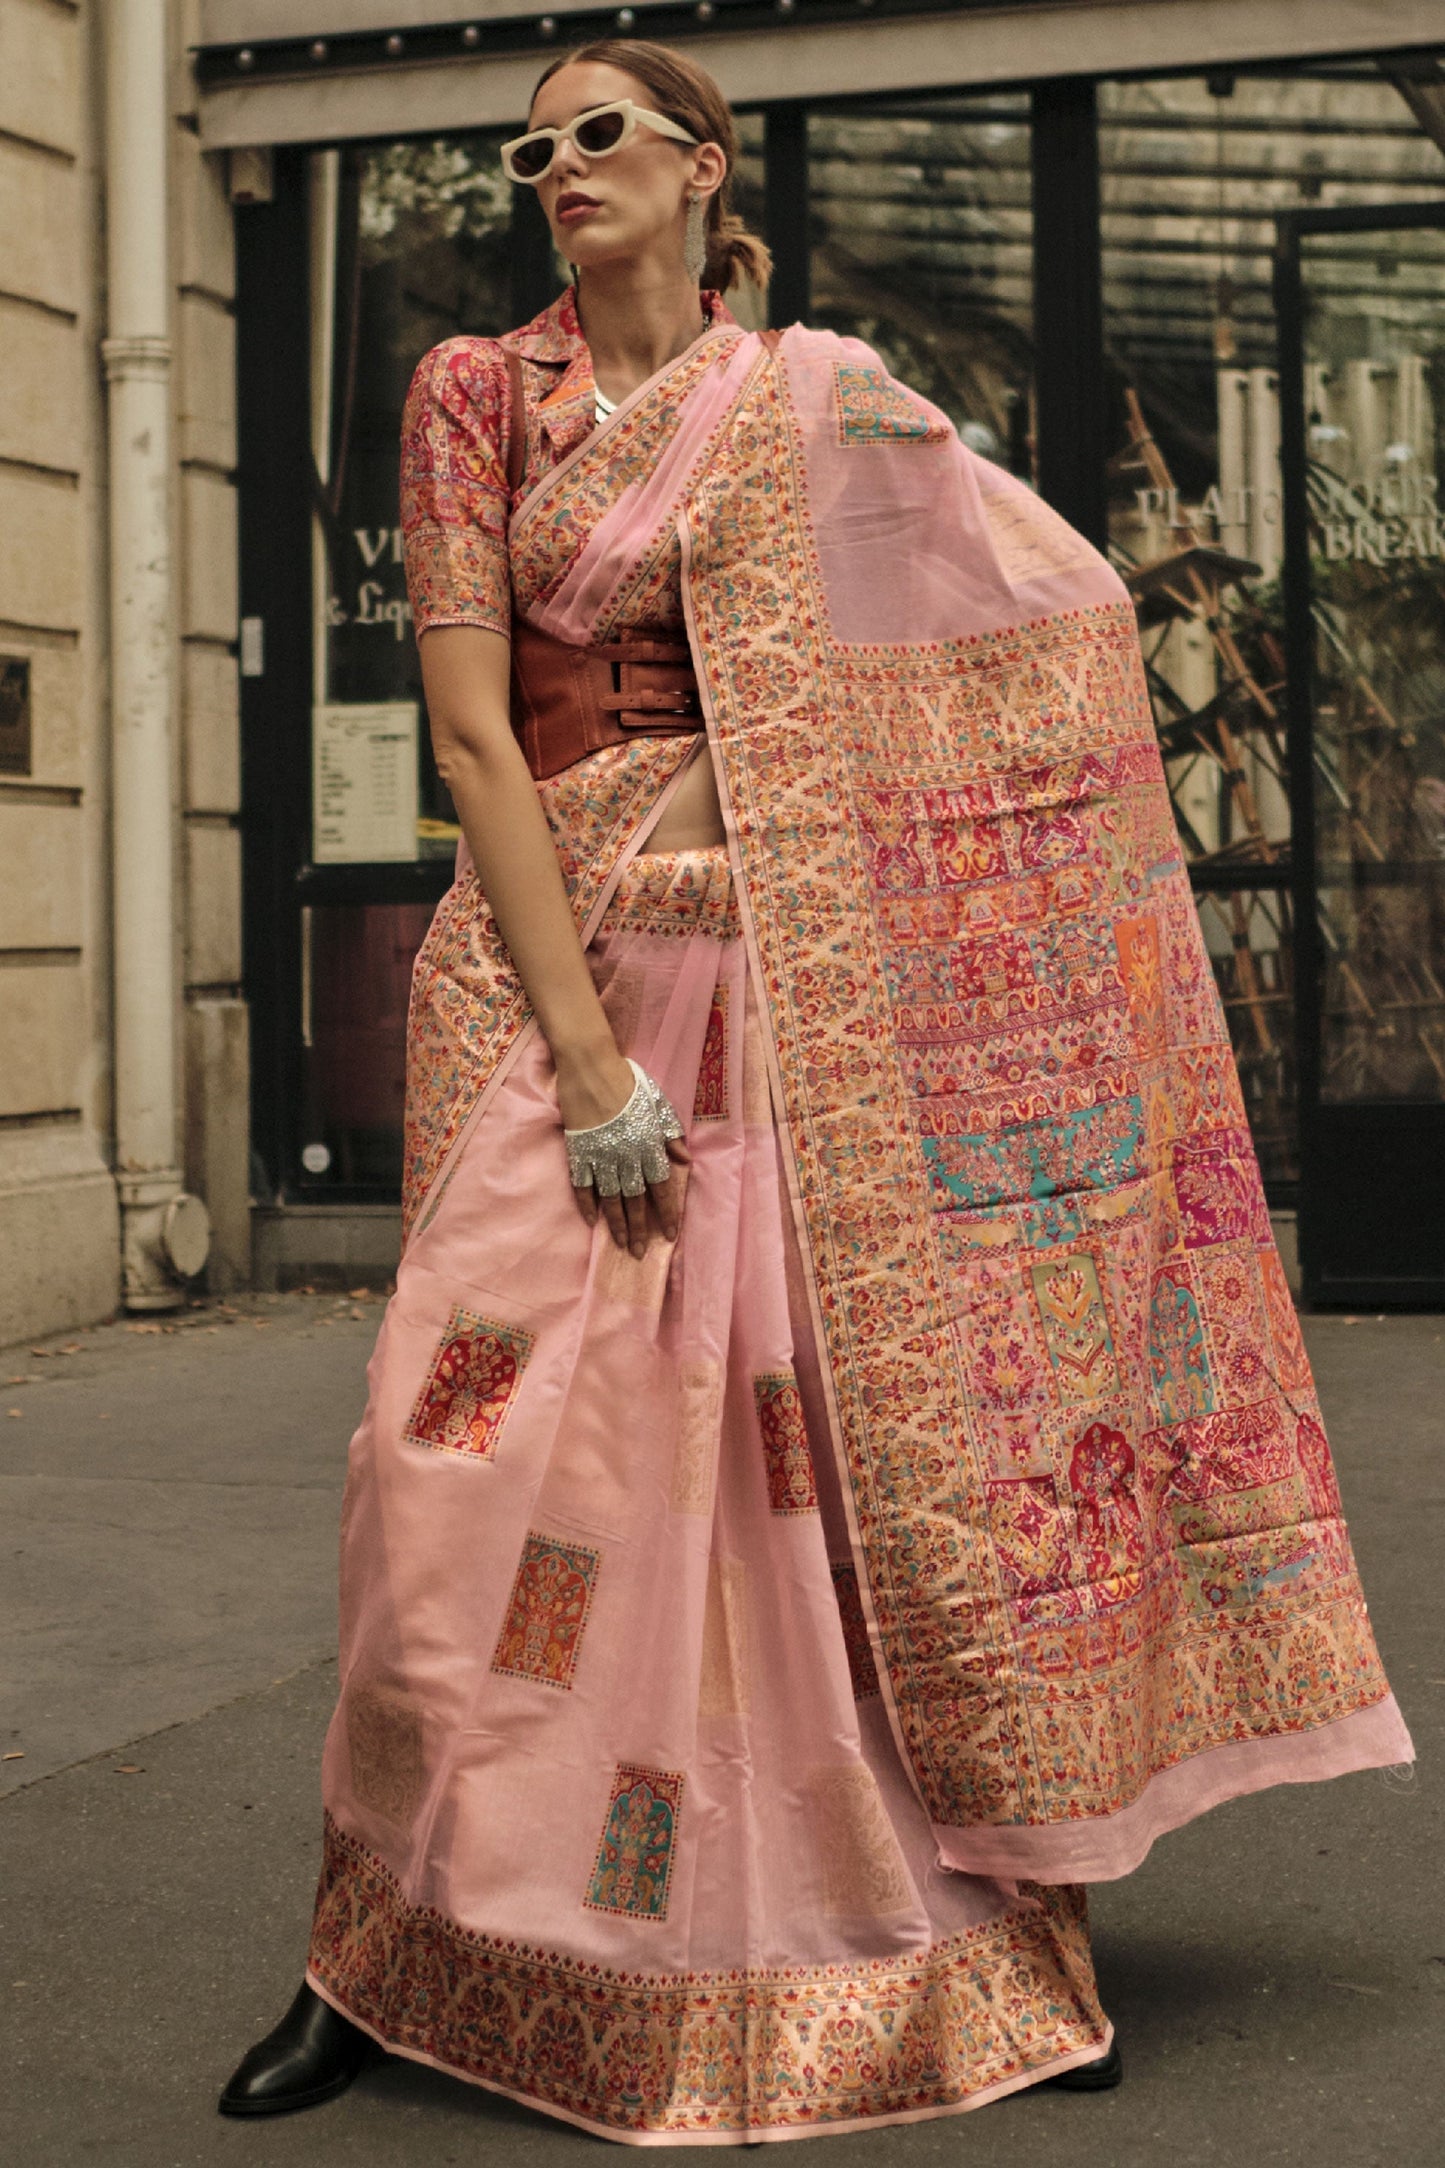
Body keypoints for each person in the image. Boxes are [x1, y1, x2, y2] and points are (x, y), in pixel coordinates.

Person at [219, 39, 1413, 2143]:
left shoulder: (812, 395)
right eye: (535, 145)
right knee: (445, 1475)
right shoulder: (479, 395)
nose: (557, 168)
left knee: (805, 1475)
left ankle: (969, 1918)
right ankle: (379, 1944)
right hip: (543, 981)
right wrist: (588, 1063)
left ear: (700, 170)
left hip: (785, 991)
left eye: (601, 135)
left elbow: (1046, 604)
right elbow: (478, 743)